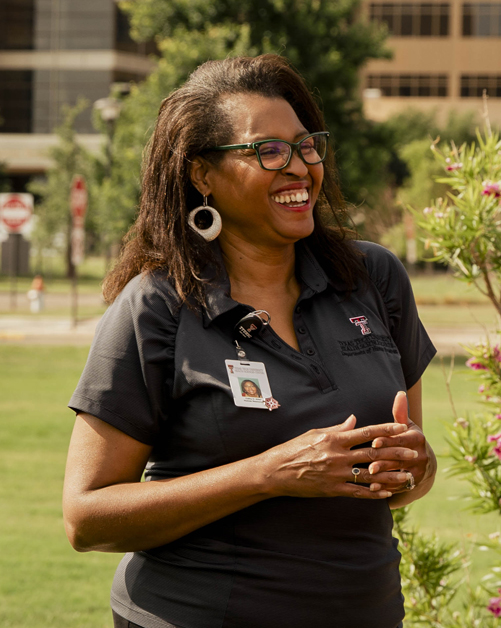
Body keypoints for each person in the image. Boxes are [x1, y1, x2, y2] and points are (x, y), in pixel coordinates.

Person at [62, 55, 438, 628]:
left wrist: (413, 466)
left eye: (306, 145)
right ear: (202, 175)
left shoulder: (373, 278)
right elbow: (86, 517)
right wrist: (267, 474)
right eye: (268, 151)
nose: (298, 167)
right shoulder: (158, 306)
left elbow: (409, 474)